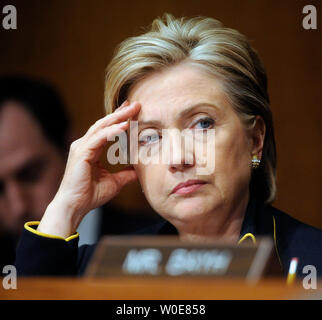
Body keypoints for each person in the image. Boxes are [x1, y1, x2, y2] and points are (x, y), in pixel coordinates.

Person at [15, 14, 322, 278]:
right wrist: (66, 205)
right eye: (149, 137)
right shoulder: (105, 269)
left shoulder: (313, 264)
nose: (178, 158)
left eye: (202, 123)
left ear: (254, 140)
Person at [0, 76, 159, 269]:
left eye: (31, 174)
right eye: (0, 189)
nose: (18, 206)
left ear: (69, 147)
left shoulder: (155, 243)